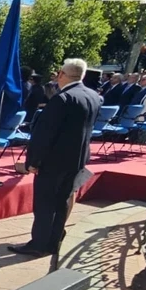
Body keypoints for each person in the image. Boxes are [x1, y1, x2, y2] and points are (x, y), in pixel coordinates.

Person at [9, 58, 102, 257]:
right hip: (76, 160)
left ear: (61, 74)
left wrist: (33, 162)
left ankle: (39, 244)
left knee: (45, 204)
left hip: (54, 162)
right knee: (62, 202)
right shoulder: (94, 96)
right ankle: (53, 240)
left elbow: (45, 134)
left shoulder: (63, 99)